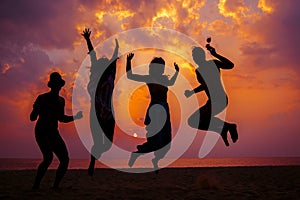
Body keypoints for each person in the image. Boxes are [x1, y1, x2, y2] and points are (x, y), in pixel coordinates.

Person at [126, 53, 179, 171]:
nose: (161, 69)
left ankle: (155, 160)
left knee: (166, 143)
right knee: (156, 142)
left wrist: (176, 72)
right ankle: (137, 153)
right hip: (155, 109)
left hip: (165, 109)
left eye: (162, 67)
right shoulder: (149, 78)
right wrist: (128, 61)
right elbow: (130, 75)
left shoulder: (164, 78)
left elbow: (171, 83)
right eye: (159, 67)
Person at [30, 72, 83, 189]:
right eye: (55, 84)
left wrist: (76, 117)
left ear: (60, 85)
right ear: (52, 85)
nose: (57, 86)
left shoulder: (61, 101)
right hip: (42, 132)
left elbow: (61, 118)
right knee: (48, 158)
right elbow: (32, 118)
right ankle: (36, 186)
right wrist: (35, 109)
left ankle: (55, 186)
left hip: (54, 133)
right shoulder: (42, 98)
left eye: (58, 84)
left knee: (65, 159)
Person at [81, 28, 119, 176]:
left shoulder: (111, 75)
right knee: (98, 142)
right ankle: (92, 163)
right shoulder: (96, 75)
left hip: (109, 114)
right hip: (96, 113)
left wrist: (116, 48)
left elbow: (114, 59)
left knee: (108, 144)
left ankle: (94, 157)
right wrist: (88, 40)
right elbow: (92, 55)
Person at [185, 44, 238, 146]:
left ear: (203, 56)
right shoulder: (198, 71)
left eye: (197, 56)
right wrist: (192, 92)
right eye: (194, 56)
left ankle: (228, 127)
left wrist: (215, 54)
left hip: (220, 99)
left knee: (198, 120)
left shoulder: (213, 63)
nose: (195, 58)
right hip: (211, 102)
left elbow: (230, 65)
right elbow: (205, 86)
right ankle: (223, 128)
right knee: (192, 121)